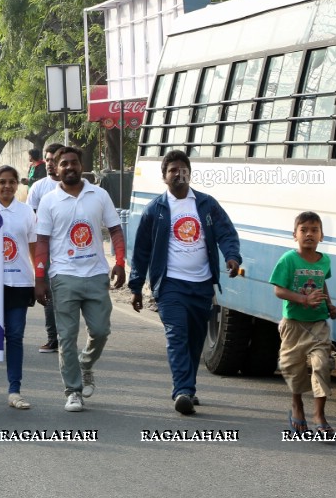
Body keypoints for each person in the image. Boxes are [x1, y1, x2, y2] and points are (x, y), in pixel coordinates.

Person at [128, 149, 242, 416]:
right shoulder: (154, 210)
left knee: (194, 338)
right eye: (173, 170)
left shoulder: (206, 204)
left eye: (183, 169)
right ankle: (182, 390)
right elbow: (141, 251)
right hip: (170, 286)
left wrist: (232, 257)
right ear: (164, 177)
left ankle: (188, 389)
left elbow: (226, 232)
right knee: (177, 335)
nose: (178, 174)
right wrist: (135, 287)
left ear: (189, 173)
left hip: (201, 285)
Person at [33, 146, 125, 413]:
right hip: (63, 276)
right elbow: (41, 243)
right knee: (66, 336)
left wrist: (119, 262)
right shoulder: (49, 201)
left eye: (74, 162)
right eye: (64, 164)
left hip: (96, 274)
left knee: (100, 331)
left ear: (81, 165)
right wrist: (40, 278)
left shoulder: (99, 195)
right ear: (57, 168)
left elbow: (116, 230)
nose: (69, 167)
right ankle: (73, 391)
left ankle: (85, 364)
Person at [271, 212, 336, 435]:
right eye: (304, 230)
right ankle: (297, 404)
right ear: (294, 235)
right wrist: (303, 299)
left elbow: (322, 285)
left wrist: (329, 305)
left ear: (322, 236)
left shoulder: (325, 261)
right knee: (293, 368)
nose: (309, 234)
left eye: (314, 230)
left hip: (318, 324)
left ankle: (319, 414)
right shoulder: (288, 260)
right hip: (293, 325)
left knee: (321, 365)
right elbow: (278, 290)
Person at [0, 165, 39, 410]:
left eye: (11, 182)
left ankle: (15, 390)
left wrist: (38, 280)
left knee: (15, 336)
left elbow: (34, 249)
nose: (7, 186)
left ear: (18, 184)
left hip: (20, 283)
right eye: (1, 181)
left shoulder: (26, 212)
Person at [29, 142, 65, 354]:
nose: (50, 164)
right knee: (49, 293)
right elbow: (32, 220)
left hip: (70, 250)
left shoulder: (78, 186)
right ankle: (53, 338)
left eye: (54, 160)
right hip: (46, 248)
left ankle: (68, 335)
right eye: (47, 159)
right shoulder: (38, 187)